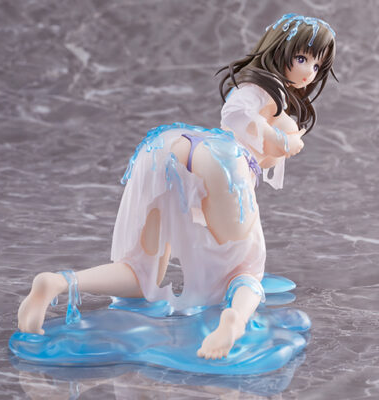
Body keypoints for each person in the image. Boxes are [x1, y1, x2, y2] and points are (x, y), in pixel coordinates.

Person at [17, 14, 336, 361]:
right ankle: (234, 320)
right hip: (222, 160)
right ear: (278, 51)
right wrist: (282, 140)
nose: (309, 72)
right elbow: (235, 115)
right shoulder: (261, 90)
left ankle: (57, 283)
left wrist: (279, 139)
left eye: (317, 64)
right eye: (301, 58)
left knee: (141, 273)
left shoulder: (270, 92)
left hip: (169, 146)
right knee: (246, 271)